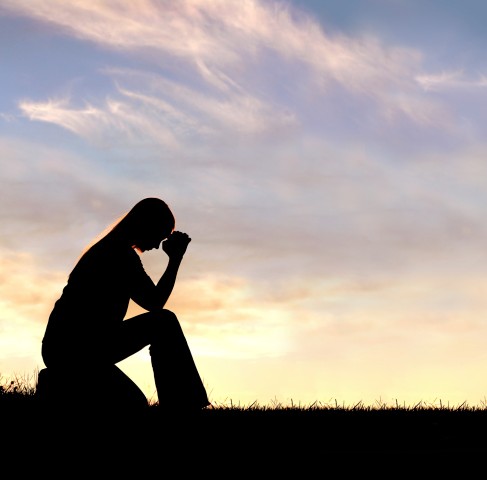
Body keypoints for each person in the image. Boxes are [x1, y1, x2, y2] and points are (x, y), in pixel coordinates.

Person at [38, 197, 210, 416]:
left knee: (134, 403)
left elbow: (152, 300)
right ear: (147, 225)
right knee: (164, 322)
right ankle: (184, 407)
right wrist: (175, 259)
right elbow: (154, 302)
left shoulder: (112, 249)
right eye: (160, 234)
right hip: (77, 348)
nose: (158, 245)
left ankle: (57, 384)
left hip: (72, 349)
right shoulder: (118, 254)